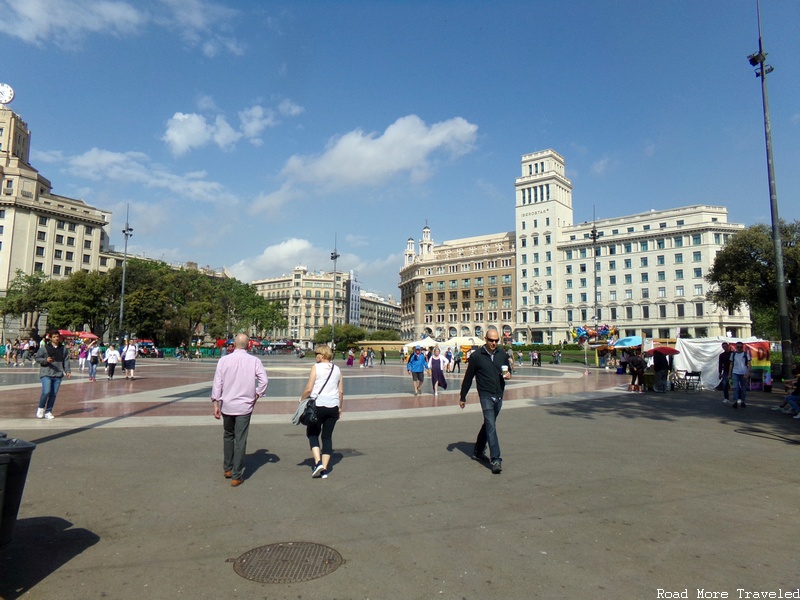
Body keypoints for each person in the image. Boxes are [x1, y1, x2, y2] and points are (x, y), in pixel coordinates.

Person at [211, 333, 268, 487]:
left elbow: (218, 382)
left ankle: (228, 468)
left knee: (228, 435)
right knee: (240, 439)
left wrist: (216, 402)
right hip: (244, 405)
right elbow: (264, 380)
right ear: (248, 345)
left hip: (227, 405)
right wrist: (257, 394)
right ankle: (237, 475)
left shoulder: (223, 360)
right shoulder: (255, 361)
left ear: (234, 344)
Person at [458, 330, 513, 475]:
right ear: (485, 339)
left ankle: (477, 449)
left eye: (496, 340)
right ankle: (496, 459)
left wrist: (508, 375)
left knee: (489, 424)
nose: (494, 343)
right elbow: (468, 378)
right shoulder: (476, 356)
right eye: (491, 340)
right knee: (491, 425)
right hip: (485, 395)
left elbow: (509, 370)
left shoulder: (502, 354)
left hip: (499, 394)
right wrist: (463, 396)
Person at [299, 344, 343, 479]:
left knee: (312, 433)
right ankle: (324, 470)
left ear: (322, 355)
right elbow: (340, 391)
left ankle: (318, 462)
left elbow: (309, 388)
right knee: (327, 437)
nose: (315, 356)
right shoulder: (337, 369)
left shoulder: (316, 367)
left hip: (318, 406)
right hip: (333, 407)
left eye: (317, 353)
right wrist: (340, 407)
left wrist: (301, 400)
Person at [34, 331, 72, 419]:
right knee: (46, 391)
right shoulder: (45, 348)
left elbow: (66, 360)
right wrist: (46, 360)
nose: (56, 338)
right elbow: (37, 358)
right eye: (54, 337)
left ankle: (48, 411)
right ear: (50, 338)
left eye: (57, 336)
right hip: (46, 373)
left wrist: (67, 371)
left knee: (53, 394)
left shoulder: (63, 349)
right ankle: (41, 407)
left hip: (58, 374)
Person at [729, 341, 750, 409]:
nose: (739, 348)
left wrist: (748, 373)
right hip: (735, 372)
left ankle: (743, 401)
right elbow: (731, 364)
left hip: (744, 373)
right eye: (738, 347)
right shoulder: (733, 354)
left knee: (743, 388)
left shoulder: (746, 354)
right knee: (736, 387)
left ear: (743, 347)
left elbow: (749, 364)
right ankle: (735, 401)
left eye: (740, 347)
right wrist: (730, 373)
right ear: (736, 347)